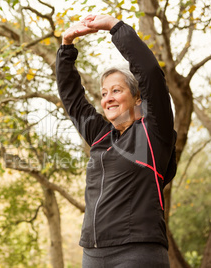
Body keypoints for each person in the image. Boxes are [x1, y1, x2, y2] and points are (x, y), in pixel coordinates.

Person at [56, 14, 177, 267]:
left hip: (137, 251)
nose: (108, 98)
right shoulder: (101, 136)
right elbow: (73, 101)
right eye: (103, 93)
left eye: (117, 90)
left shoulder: (152, 132)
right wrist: (66, 46)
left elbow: (152, 74)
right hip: (92, 252)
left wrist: (115, 27)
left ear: (137, 99)